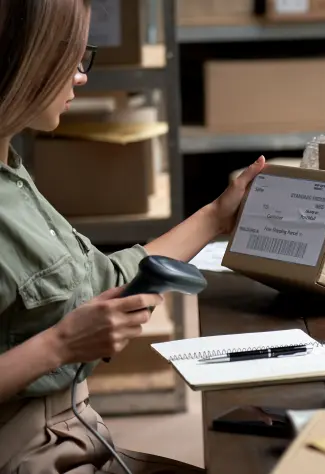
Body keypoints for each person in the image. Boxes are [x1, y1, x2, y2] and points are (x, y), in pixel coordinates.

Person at [0, 1, 265, 473]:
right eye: (69, 58)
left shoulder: (12, 173)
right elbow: (68, 325)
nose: (80, 76)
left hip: (73, 432)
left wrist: (216, 217)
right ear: (20, 57)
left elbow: (101, 279)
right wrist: (59, 344)